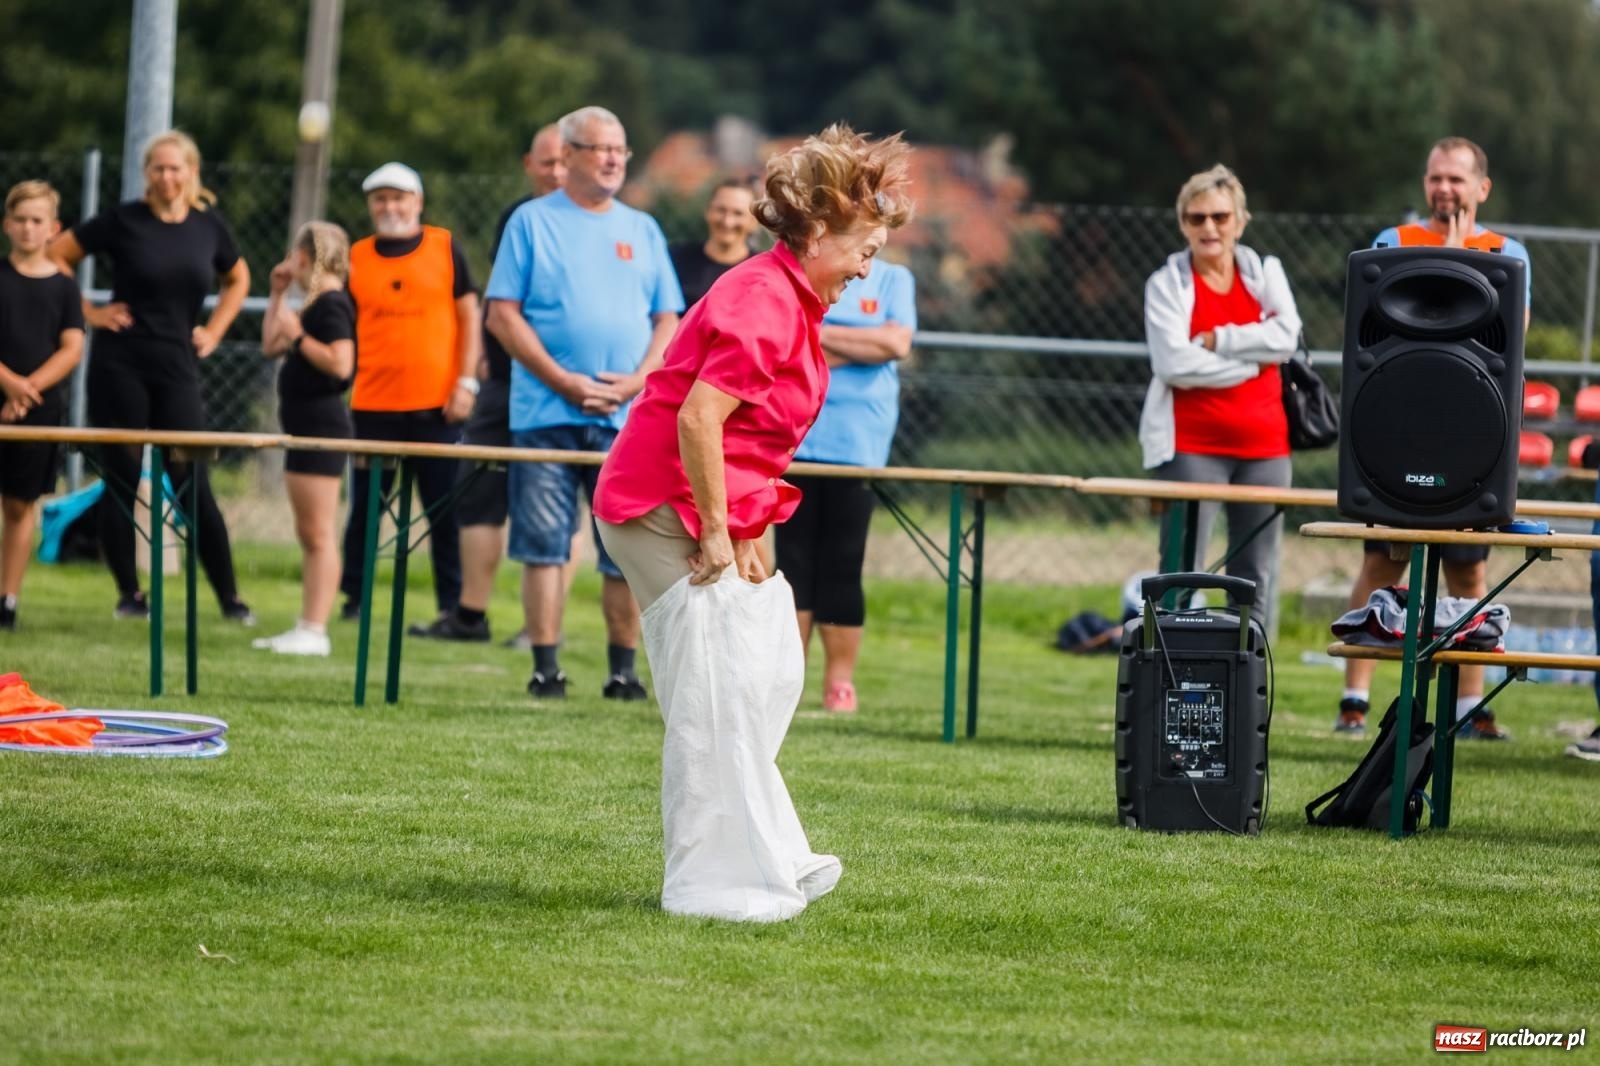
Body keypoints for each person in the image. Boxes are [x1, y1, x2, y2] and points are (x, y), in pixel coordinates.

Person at [592, 123, 913, 921]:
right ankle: (713, 884)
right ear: (815, 234)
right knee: (713, 700)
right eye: (863, 249)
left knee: (753, 676)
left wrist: (746, 528)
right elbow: (699, 421)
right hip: (657, 508)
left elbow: (750, 438)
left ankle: (771, 856)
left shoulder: (794, 300)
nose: (868, 268)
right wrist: (710, 529)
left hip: (701, 509)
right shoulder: (768, 300)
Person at [1337, 137, 1532, 740]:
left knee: (1468, 575)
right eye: (1435, 178)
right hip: (1401, 428)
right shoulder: (1393, 244)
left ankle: (1468, 707)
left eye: (1456, 179)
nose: (1444, 189)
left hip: (1473, 437)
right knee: (1383, 560)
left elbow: (1513, 339)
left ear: (1482, 188)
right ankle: (1354, 698)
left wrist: (1460, 253)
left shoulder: (1506, 252)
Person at [485, 105, 683, 700]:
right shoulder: (530, 222)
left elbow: (668, 317)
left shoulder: (642, 228)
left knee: (621, 550)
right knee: (544, 545)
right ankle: (547, 668)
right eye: (599, 149)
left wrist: (638, 382)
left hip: (626, 417)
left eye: (620, 149)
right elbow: (502, 315)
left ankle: (622, 671)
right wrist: (564, 381)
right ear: (567, 156)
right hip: (547, 414)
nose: (613, 159)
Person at [48, 130, 254, 623]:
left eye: (175, 168)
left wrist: (216, 330)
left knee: (191, 481)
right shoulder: (123, 222)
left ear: (191, 172)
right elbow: (56, 256)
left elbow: (239, 278)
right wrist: (89, 313)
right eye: (158, 168)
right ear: (147, 173)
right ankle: (129, 595)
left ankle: (230, 599)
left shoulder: (208, 227)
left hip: (178, 365)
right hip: (120, 365)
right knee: (121, 478)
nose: (167, 176)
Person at [410, 125, 568, 646]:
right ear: (530, 164)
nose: (556, 172)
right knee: (476, 489)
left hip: (561, 392)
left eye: (564, 161)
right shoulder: (518, 218)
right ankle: (470, 615)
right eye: (547, 162)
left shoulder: (591, 227)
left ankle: (542, 628)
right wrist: (477, 362)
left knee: (552, 505)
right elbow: (498, 302)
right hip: (502, 381)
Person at [1139, 164, 1301, 631]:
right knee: (1180, 568)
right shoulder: (1166, 284)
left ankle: (1251, 686)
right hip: (1191, 448)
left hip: (1266, 448)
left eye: (1220, 216)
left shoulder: (1264, 272)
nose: (1209, 227)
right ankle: (1165, 676)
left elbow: (1286, 337)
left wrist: (1220, 341)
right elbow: (1173, 364)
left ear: (1240, 220)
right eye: (1196, 218)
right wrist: (1252, 361)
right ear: (1183, 224)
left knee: (1257, 575)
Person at [338, 162, 481, 624]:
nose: (389, 207)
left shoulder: (443, 246)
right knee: (365, 510)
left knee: (443, 511)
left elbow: (470, 316)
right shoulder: (356, 256)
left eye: (398, 197)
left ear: (417, 202)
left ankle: (450, 606)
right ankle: (354, 599)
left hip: (437, 406)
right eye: (380, 199)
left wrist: (466, 381)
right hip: (373, 404)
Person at [773, 257, 915, 712]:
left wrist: (821, 336)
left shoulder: (895, 279)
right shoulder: (812, 273)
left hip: (859, 445)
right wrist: (860, 345)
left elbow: (895, 343)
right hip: (796, 438)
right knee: (793, 564)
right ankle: (788, 681)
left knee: (843, 563)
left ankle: (839, 684)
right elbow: (787, 344)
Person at [255, 222, 355, 656]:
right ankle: (305, 626)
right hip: (303, 427)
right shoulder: (311, 305)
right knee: (309, 531)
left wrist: (299, 335)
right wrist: (277, 297)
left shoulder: (332, 305)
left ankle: (315, 629)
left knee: (318, 533)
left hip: (322, 430)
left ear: (303, 258)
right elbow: (269, 346)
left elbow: (340, 364)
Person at [0, 181, 85, 631]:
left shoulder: (63, 288)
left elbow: (72, 348)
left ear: (53, 228)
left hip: (38, 410)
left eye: (38, 221)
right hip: (5, 396)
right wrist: (7, 384)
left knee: (19, 507)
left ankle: (7, 600)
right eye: (21, 220)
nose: (29, 229)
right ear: (7, 224)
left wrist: (26, 391)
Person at [668, 177, 759, 309]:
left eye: (738, 213)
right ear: (708, 211)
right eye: (721, 210)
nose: (727, 221)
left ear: (753, 222)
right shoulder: (675, 259)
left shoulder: (762, 271)